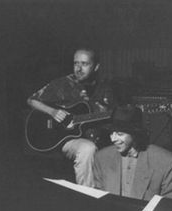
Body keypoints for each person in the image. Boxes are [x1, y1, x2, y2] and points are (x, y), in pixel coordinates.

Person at [27, 47, 114, 187]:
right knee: (87, 149)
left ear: (96, 67)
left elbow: (111, 116)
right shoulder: (62, 83)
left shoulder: (105, 88)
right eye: (76, 63)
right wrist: (52, 112)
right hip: (60, 138)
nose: (79, 68)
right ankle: (87, 198)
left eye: (84, 64)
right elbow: (32, 100)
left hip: (93, 136)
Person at [93, 104, 172, 200]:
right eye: (111, 133)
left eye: (120, 134)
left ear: (135, 134)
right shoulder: (101, 157)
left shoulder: (165, 161)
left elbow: (170, 204)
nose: (113, 139)